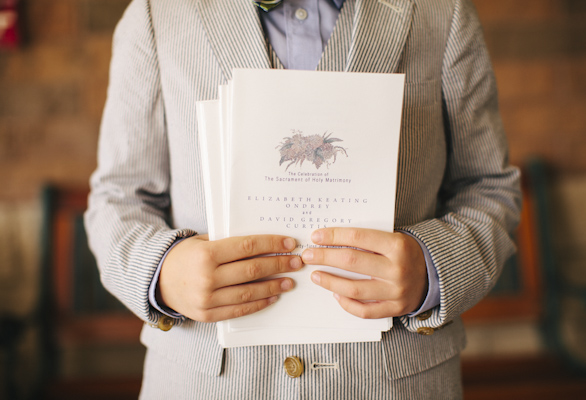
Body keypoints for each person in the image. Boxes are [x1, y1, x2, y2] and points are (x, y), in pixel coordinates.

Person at [85, 0, 521, 398]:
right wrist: (161, 273)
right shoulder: (157, 13)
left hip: (396, 381)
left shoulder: (441, 11)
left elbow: (488, 186)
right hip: (205, 381)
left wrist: (431, 270)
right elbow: (117, 198)